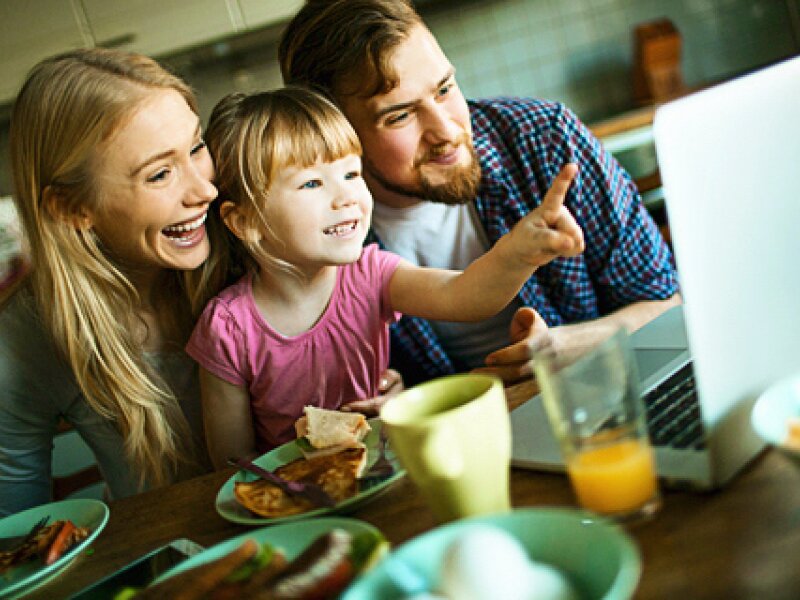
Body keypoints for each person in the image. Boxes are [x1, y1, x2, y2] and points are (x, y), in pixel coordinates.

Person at [278, 0, 681, 387]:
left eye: (444, 89)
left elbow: (669, 307)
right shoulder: (312, 234)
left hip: (599, 401)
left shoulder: (546, 140)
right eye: (399, 115)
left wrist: (559, 348)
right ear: (332, 134)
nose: (446, 132)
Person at [185, 86, 583, 467]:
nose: (346, 197)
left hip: (386, 470)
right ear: (245, 221)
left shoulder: (369, 273)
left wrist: (518, 253)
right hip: (297, 499)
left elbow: (464, 295)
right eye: (311, 183)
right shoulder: (227, 329)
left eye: (351, 174)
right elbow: (233, 463)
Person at [0, 48, 228, 516]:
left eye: (197, 147)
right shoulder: (31, 334)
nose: (204, 189)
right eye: (160, 173)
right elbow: (16, 532)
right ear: (71, 208)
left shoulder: (243, 240)